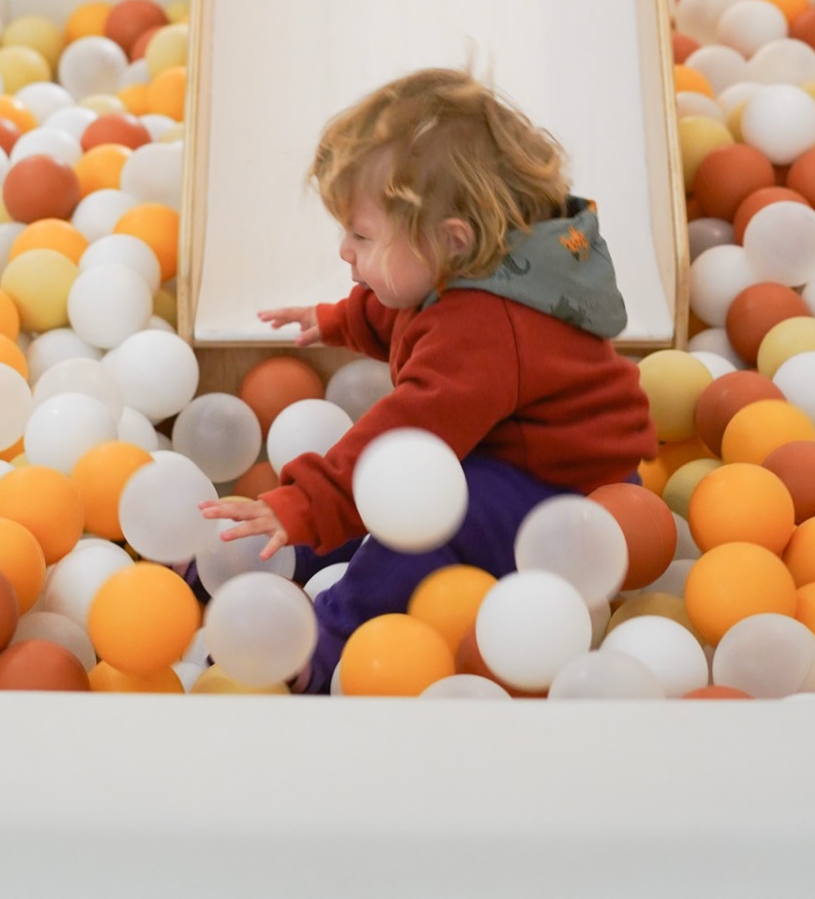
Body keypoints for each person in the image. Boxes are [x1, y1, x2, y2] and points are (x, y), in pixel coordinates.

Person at [199, 67, 656, 691]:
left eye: (361, 235)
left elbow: (405, 435)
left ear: (451, 241)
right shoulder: (481, 270)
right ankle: (281, 553)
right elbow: (407, 311)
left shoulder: (488, 328)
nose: (344, 251)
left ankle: (324, 644)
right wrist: (336, 320)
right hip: (513, 452)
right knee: (391, 495)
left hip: (562, 492)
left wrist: (307, 498)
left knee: (422, 511)